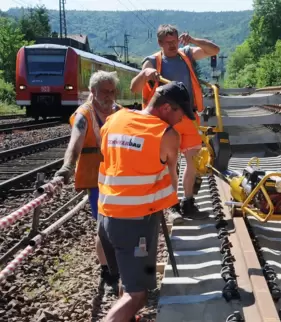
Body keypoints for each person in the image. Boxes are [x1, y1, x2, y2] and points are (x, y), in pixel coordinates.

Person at [97, 81, 195, 322]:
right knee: (137, 295)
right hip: (135, 223)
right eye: (181, 114)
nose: (181, 120)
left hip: (106, 216)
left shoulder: (115, 119)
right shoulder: (165, 134)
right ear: (166, 108)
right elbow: (172, 178)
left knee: (125, 276)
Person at [130, 24, 220, 224]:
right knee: (170, 164)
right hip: (164, 119)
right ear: (160, 43)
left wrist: (194, 40)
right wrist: (145, 75)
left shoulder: (186, 54)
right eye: (168, 42)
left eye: (175, 41)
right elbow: (134, 88)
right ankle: (172, 205)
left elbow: (214, 50)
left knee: (192, 160)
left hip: (187, 116)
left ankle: (188, 203)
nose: (172, 45)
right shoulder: (152, 61)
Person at [54, 70, 121, 288]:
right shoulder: (85, 114)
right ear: (92, 91)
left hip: (118, 176)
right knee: (103, 225)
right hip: (95, 178)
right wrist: (67, 168)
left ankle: (119, 264)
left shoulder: (118, 112)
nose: (109, 96)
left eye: (112, 91)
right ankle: (107, 269)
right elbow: (75, 143)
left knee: (119, 222)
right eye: (105, 92)